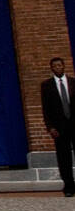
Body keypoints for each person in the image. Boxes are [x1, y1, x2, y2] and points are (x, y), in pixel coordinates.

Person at [41, 57, 75, 196]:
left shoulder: (73, 82)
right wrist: (50, 127)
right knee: (63, 157)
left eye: (60, 65)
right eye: (55, 65)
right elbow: (46, 109)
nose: (58, 67)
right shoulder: (46, 85)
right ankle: (69, 187)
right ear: (51, 68)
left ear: (64, 66)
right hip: (59, 127)